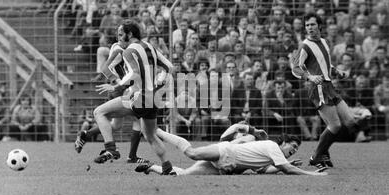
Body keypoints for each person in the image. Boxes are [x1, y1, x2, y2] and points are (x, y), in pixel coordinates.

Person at [93, 20, 176, 175]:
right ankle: (167, 167)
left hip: (138, 97)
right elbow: (169, 67)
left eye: (120, 35)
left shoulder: (129, 51)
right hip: (153, 99)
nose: (118, 40)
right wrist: (158, 83)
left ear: (129, 34)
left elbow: (134, 73)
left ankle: (111, 149)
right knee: (150, 135)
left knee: (99, 112)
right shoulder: (150, 46)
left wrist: (117, 86)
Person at [292, 12, 359, 168]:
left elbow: (327, 65)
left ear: (319, 26)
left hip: (330, 86)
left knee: (350, 121)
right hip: (318, 88)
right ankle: (316, 157)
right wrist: (310, 77)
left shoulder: (324, 41)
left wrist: (338, 72)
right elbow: (295, 69)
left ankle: (323, 153)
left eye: (312, 24)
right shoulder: (305, 46)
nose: (309, 28)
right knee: (335, 126)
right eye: (307, 25)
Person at [135, 123, 327, 176]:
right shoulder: (263, 142)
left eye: (295, 150)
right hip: (224, 151)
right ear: (283, 142)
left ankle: (152, 167)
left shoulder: (271, 154)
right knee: (191, 153)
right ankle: (157, 130)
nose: (293, 151)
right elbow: (235, 127)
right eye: (292, 147)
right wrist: (250, 130)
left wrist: (282, 165)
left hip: (226, 166)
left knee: (183, 175)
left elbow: (264, 170)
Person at [74, 28, 148, 164]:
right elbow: (105, 68)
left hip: (125, 88)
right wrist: (118, 82)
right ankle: (127, 155)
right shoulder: (119, 49)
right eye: (119, 35)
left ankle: (85, 134)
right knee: (137, 118)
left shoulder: (128, 49)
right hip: (122, 89)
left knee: (116, 125)